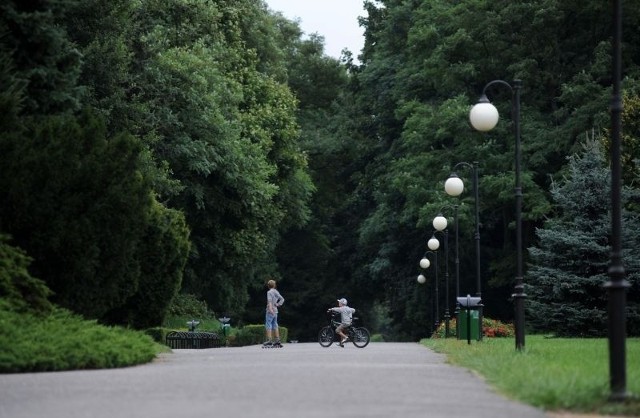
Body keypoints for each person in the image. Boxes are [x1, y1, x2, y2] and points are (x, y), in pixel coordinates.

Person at [263, 279, 285, 348]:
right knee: (275, 325)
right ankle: (277, 340)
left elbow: (269, 301)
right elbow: (282, 299)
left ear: (268, 286)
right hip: (276, 311)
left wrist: (270, 309)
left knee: (268, 325)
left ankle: (269, 341)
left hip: (270, 310)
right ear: (274, 285)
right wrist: (278, 304)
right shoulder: (276, 291)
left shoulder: (269, 292)